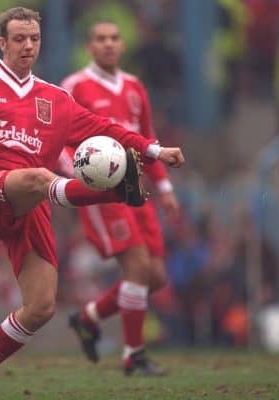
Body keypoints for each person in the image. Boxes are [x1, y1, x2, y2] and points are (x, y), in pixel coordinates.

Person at [0, 7, 185, 399]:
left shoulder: (55, 98)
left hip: (31, 203)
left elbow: (104, 127)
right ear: (2, 42)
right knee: (39, 177)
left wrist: (154, 149)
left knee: (41, 306)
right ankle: (115, 191)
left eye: (34, 39)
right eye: (18, 39)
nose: (27, 46)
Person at [59, 20, 180, 376]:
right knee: (138, 268)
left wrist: (165, 187)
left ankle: (87, 317)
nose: (108, 44)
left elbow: (147, 137)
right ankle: (133, 355)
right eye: (100, 39)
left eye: (114, 38)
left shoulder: (133, 87)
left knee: (155, 277)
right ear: (89, 47)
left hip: (137, 186)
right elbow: (59, 141)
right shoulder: (74, 86)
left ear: (122, 45)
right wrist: (78, 178)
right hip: (103, 191)